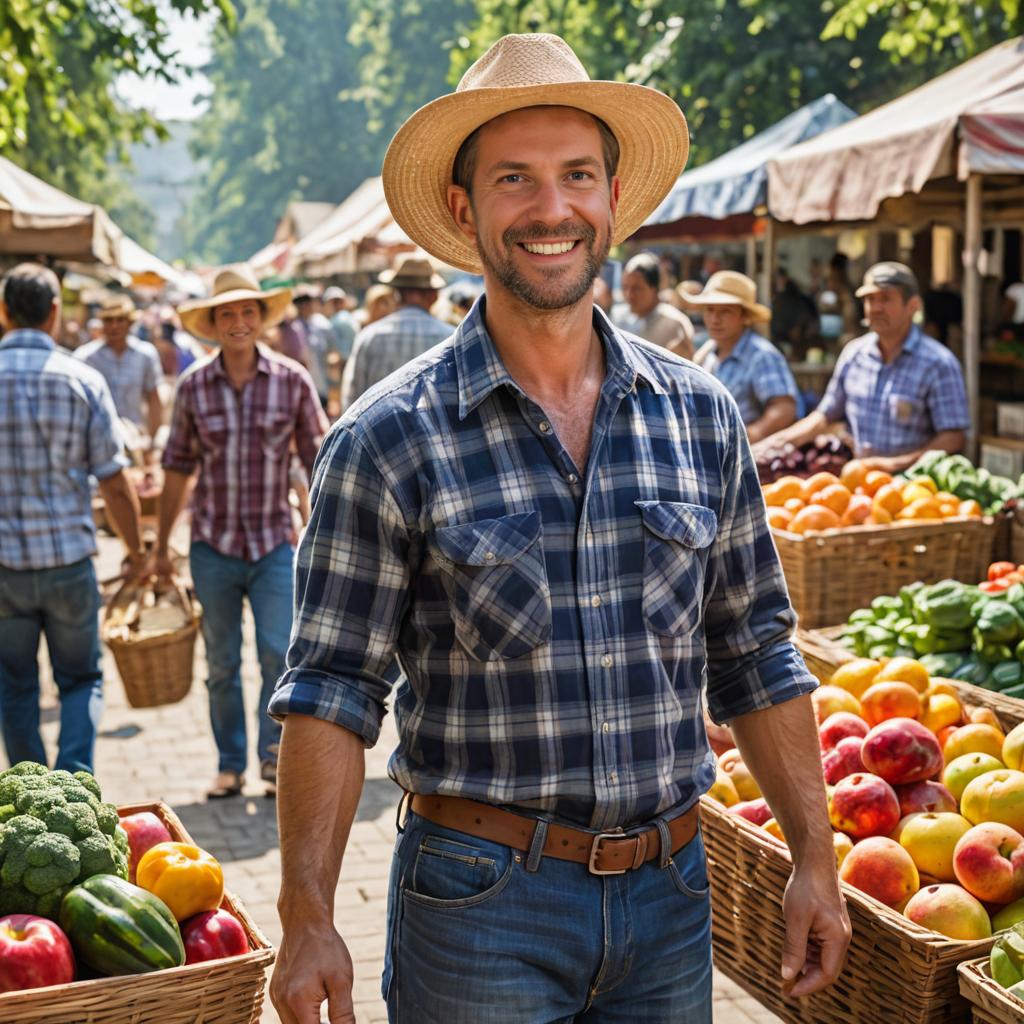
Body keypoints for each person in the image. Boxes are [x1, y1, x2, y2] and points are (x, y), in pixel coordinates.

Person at [269, 32, 849, 1024]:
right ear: (464, 209)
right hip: (478, 901)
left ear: (613, 198)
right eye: (514, 179)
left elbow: (755, 654)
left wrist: (814, 857)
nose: (552, 209)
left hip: (669, 896)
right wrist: (308, 913)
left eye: (577, 174)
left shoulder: (700, 415)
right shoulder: (385, 441)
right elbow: (330, 692)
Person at [153, 265, 328, 800]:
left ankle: (274, 761)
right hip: (213, 546)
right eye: (227, 313)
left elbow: (318, 458)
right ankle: (230, 764)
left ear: (261, 319)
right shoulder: (193, 387)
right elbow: (178, 468)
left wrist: (324, 527)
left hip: (275, 540)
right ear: (212, 323)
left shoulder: (292, 381)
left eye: (247, 311)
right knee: (222, 661)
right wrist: (160, 547)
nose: (238, 321)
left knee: (277, 652)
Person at [0, 264, 145, 774]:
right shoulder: (83, 379)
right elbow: (113, 480)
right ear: (55, 312)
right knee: (81, 680)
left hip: (4, 573)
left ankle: (32, 796)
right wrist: (136, 551)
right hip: (68, 564)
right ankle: (76, 780)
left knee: (13, 686)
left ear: (3, 312)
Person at [755, 262, 970, 472]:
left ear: (912, 306)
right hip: (859, 483)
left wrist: (897, 464)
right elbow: (824, 416)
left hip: (914, 490)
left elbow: (953, 438)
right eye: (869, 299)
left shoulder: (938, 363)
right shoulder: (854, 354)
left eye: (886, 299)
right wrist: (774, 443)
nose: (875, 308)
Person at [688, 271, 800, 442]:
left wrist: (750, 436)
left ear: (745, 317)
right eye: (710, 310)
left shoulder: (761, 355)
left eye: (725, 311)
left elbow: (785, 408)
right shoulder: (707, 354)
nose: (715, 319)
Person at [339, 255, 452, 410]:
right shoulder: (450, 338)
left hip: (379, 433)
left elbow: (351, 399)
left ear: (395, 294)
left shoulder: (370, 337)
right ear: (433, 296)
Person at [76, 295, 163, 442]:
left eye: (120, 320)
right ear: (102, 323)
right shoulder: (86, 357)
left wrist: (152, 441)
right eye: (109, 320)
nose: (114, 326)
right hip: (98, 439)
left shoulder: (145, 354)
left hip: (136, 439)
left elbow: (154, 399)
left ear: (129, 323)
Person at [613, 252, 694, 358]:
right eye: (625, 288)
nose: (629, 295)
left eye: (636, 288)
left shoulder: (675, 324)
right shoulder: (618, 319)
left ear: (654, 289)